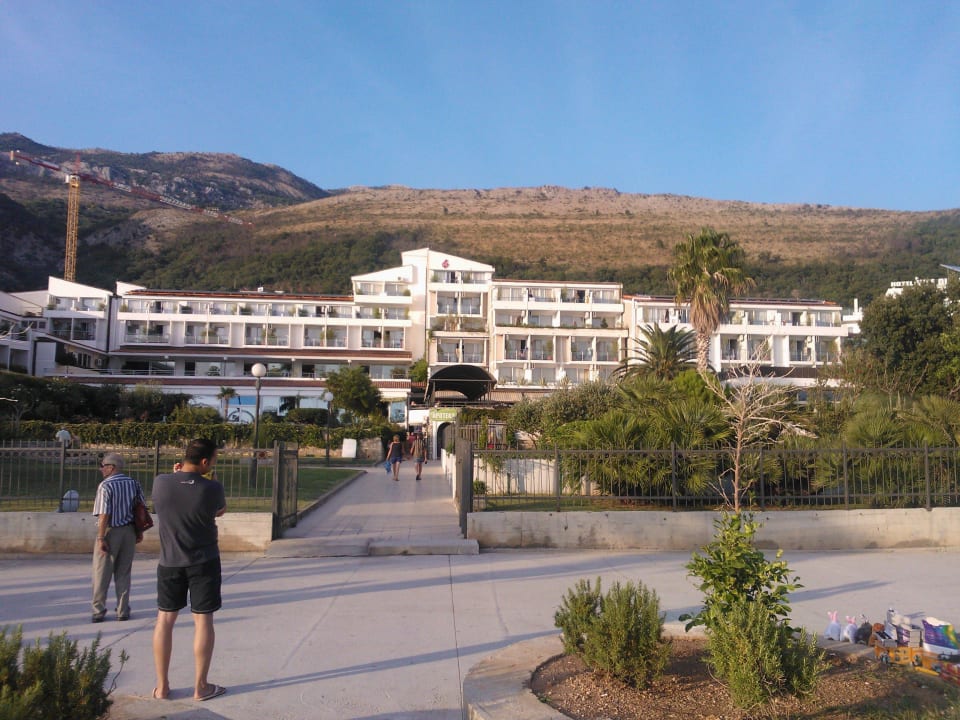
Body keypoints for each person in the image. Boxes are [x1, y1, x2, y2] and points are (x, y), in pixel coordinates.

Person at [151, 438, 227, 702]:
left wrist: (177, 476)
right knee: (203, 621)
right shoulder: (212, 488)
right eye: (213, 460)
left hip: (169, 561)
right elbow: (220, 511)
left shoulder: (161, 482)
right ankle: (201, 687)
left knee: (164, 620)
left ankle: (162, 687)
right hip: (204, 561)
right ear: (205, 462)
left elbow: (171, 497)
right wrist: (208, 481)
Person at [91, 452, 145, 623]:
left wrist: (101, 537)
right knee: (124, 572)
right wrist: (139, 532)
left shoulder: (105, 486)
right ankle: (122, 610)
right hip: (129, 531)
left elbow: (104, 514)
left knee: (102, 572)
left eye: (103, 466)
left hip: (110, 531)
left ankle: (98, 610)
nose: (101, 469)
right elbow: (140, 508)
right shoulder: (133, 483)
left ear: (111, 467)